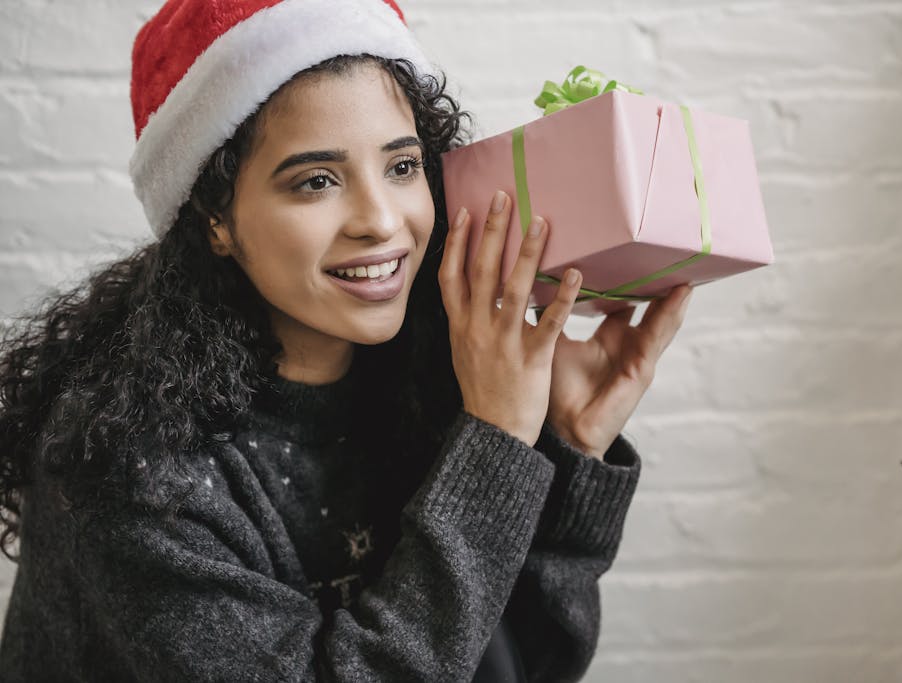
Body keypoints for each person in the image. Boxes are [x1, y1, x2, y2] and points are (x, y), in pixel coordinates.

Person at [0, 0, 693, 680]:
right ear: (214, 216)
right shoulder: (132, 473)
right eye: (316, 181)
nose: (381, 220)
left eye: (401, 166)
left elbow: (528, 662)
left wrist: (568, 443)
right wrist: (499, 438)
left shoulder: (429, 374)